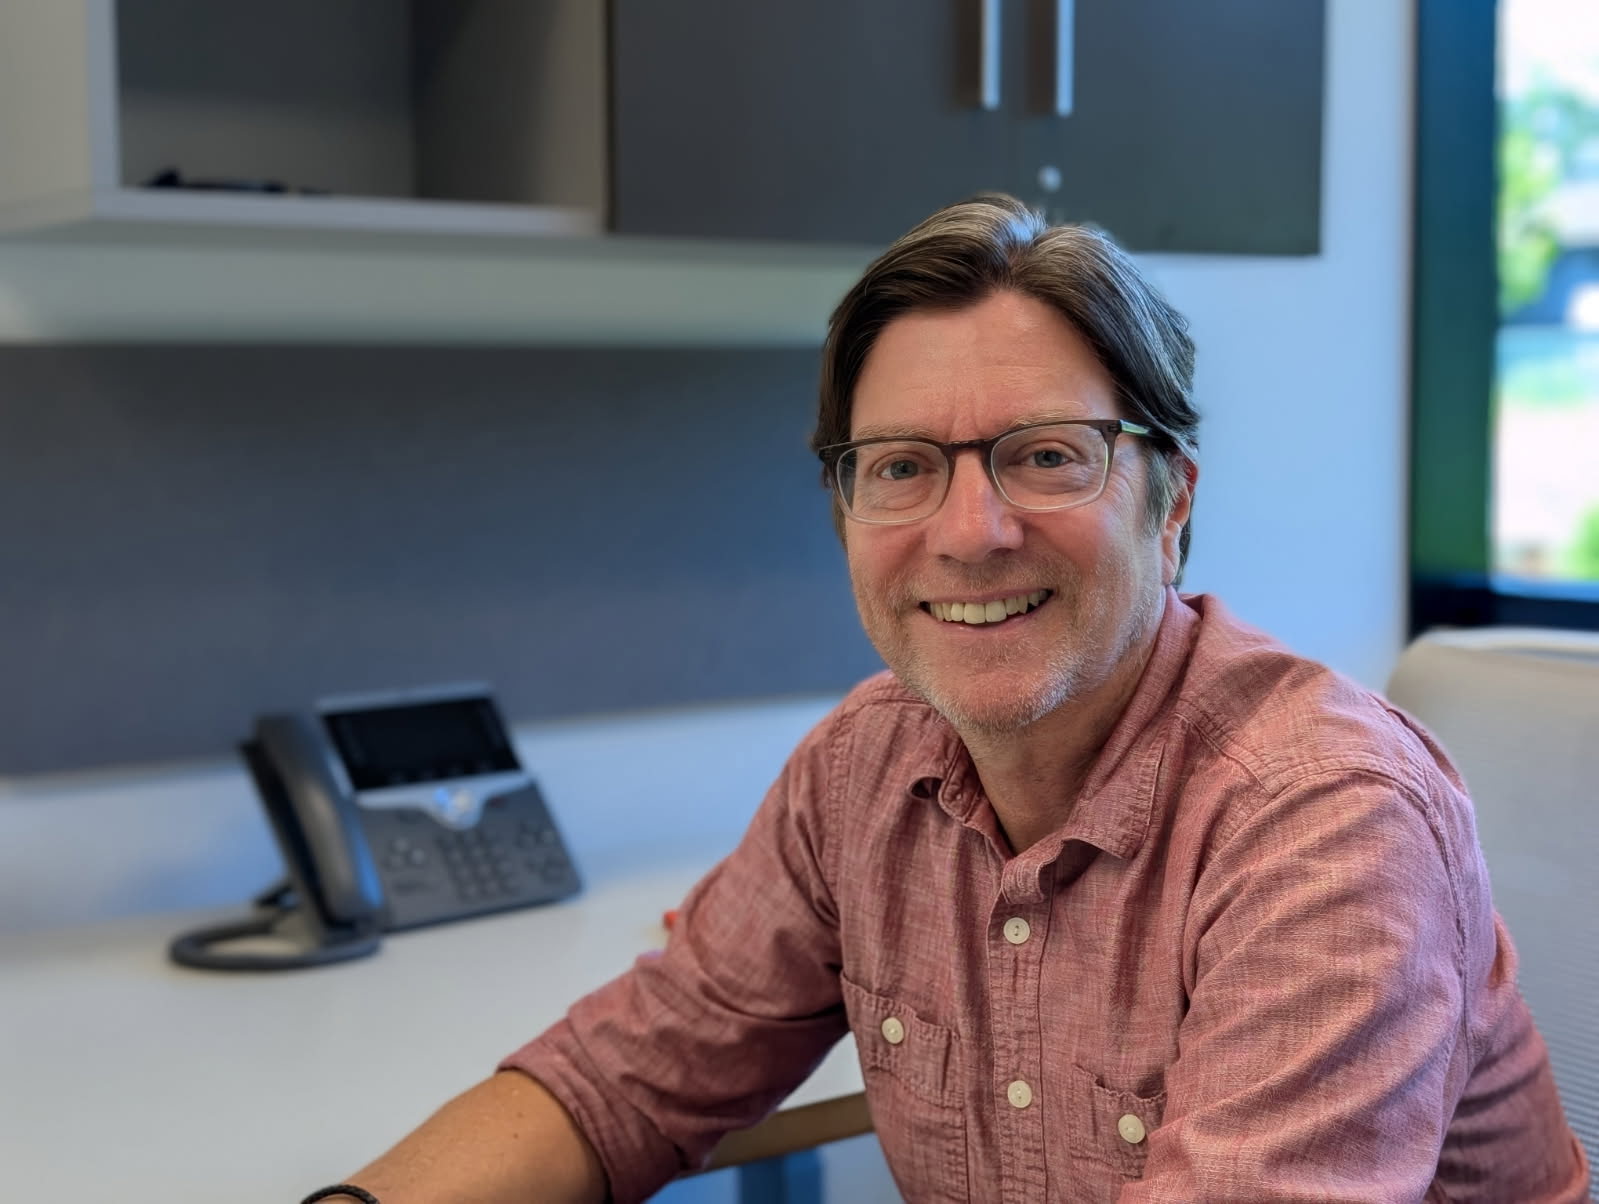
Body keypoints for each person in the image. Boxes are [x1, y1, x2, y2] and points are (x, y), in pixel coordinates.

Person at [301, 196, 1592, 1203]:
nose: (970, 533)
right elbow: (619, 1084)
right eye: (903, 467)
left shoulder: (1321, 820)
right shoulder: (863, 771)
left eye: (1045, 457)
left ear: (1172, 499)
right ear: (847, 510)